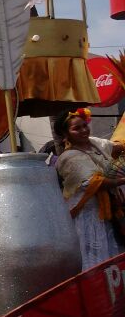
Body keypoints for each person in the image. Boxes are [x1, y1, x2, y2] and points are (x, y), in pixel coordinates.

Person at [54, 108, 125, 270]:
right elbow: (96, 182)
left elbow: (116, 147)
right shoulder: (68, 157)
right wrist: (122, 180)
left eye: (84, 125)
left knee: (115, 254)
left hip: (112, 210)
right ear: (66, 134)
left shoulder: (95, 144)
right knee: (95, 258)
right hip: (89, 216)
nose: (83, 130)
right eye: (76, 128)